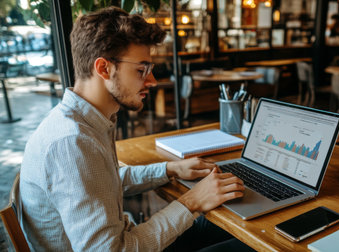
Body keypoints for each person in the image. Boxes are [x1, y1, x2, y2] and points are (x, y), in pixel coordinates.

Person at [19, 7, 251, 251]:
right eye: (142, 70)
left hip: (127, 240)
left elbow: (104, 182)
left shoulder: (85, 120)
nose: (152, 81)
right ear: (103, 68)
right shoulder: (73, 142)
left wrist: (171, 169)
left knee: (230, 228)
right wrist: (192, 201)